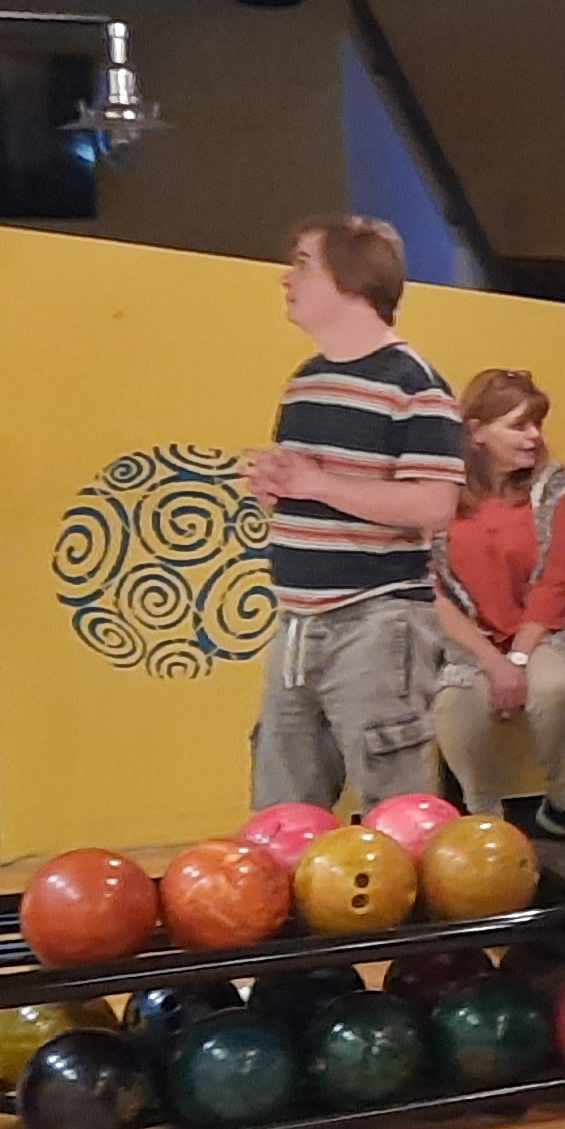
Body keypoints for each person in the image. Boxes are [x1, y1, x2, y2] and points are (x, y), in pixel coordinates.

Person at [242, 216, 464, 816]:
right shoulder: (306, 381)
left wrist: (315, 482)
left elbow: (434, 504)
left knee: (397, 801)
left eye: (302, 264)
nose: (286, 279)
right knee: (280, 799)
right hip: (296, 620)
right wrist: (278, 490)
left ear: (353, 280)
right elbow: (311, 491)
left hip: (377, 620)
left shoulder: (414, 385)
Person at [425, 368, 565, 856]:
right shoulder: (434, 491)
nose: (534, 436)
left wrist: (515, 661)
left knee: (556, 691)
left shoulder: (550, 487)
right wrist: (494, 663)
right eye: (519, 425)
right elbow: (432, 595)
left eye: (537, 424)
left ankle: (563, 801)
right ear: (476, 432)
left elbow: (552, 584)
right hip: (466, 638)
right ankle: (484, 819)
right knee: (456, 707)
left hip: (541, 630)